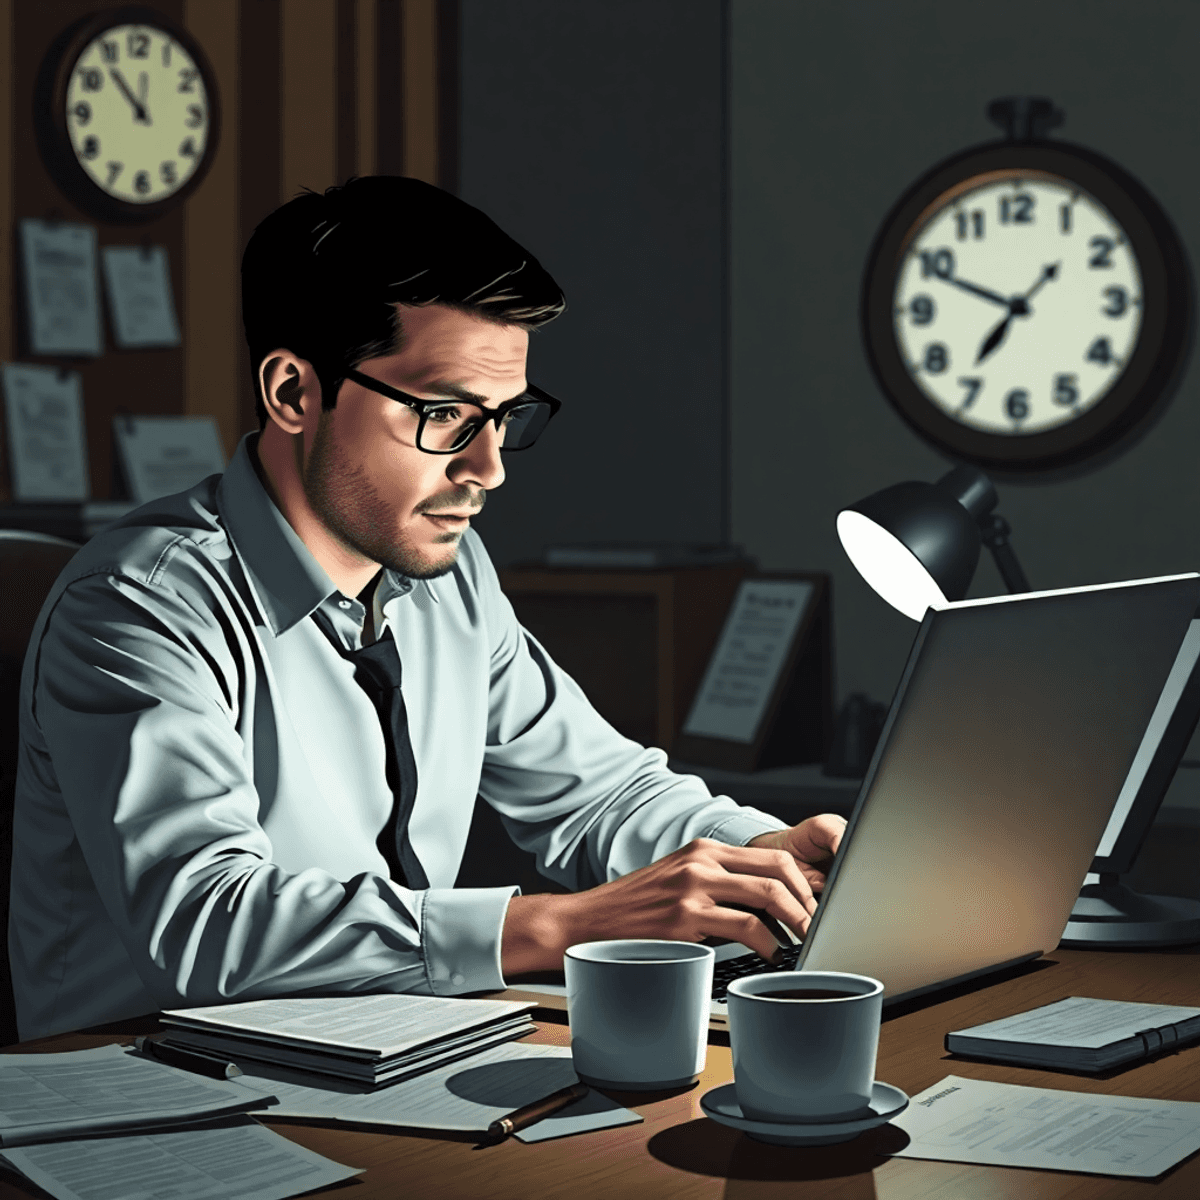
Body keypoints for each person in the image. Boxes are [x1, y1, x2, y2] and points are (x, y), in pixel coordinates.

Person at [10, 177, 845, 1040]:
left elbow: (600, 793)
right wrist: (560, 924)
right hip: (148, 1085)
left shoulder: (447, 574)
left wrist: (763, 854)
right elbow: (204, 924)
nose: (490, 469)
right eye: (445, 413)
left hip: (385, 1055)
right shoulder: (138, 604)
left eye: (504, 417)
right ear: (294, 393)